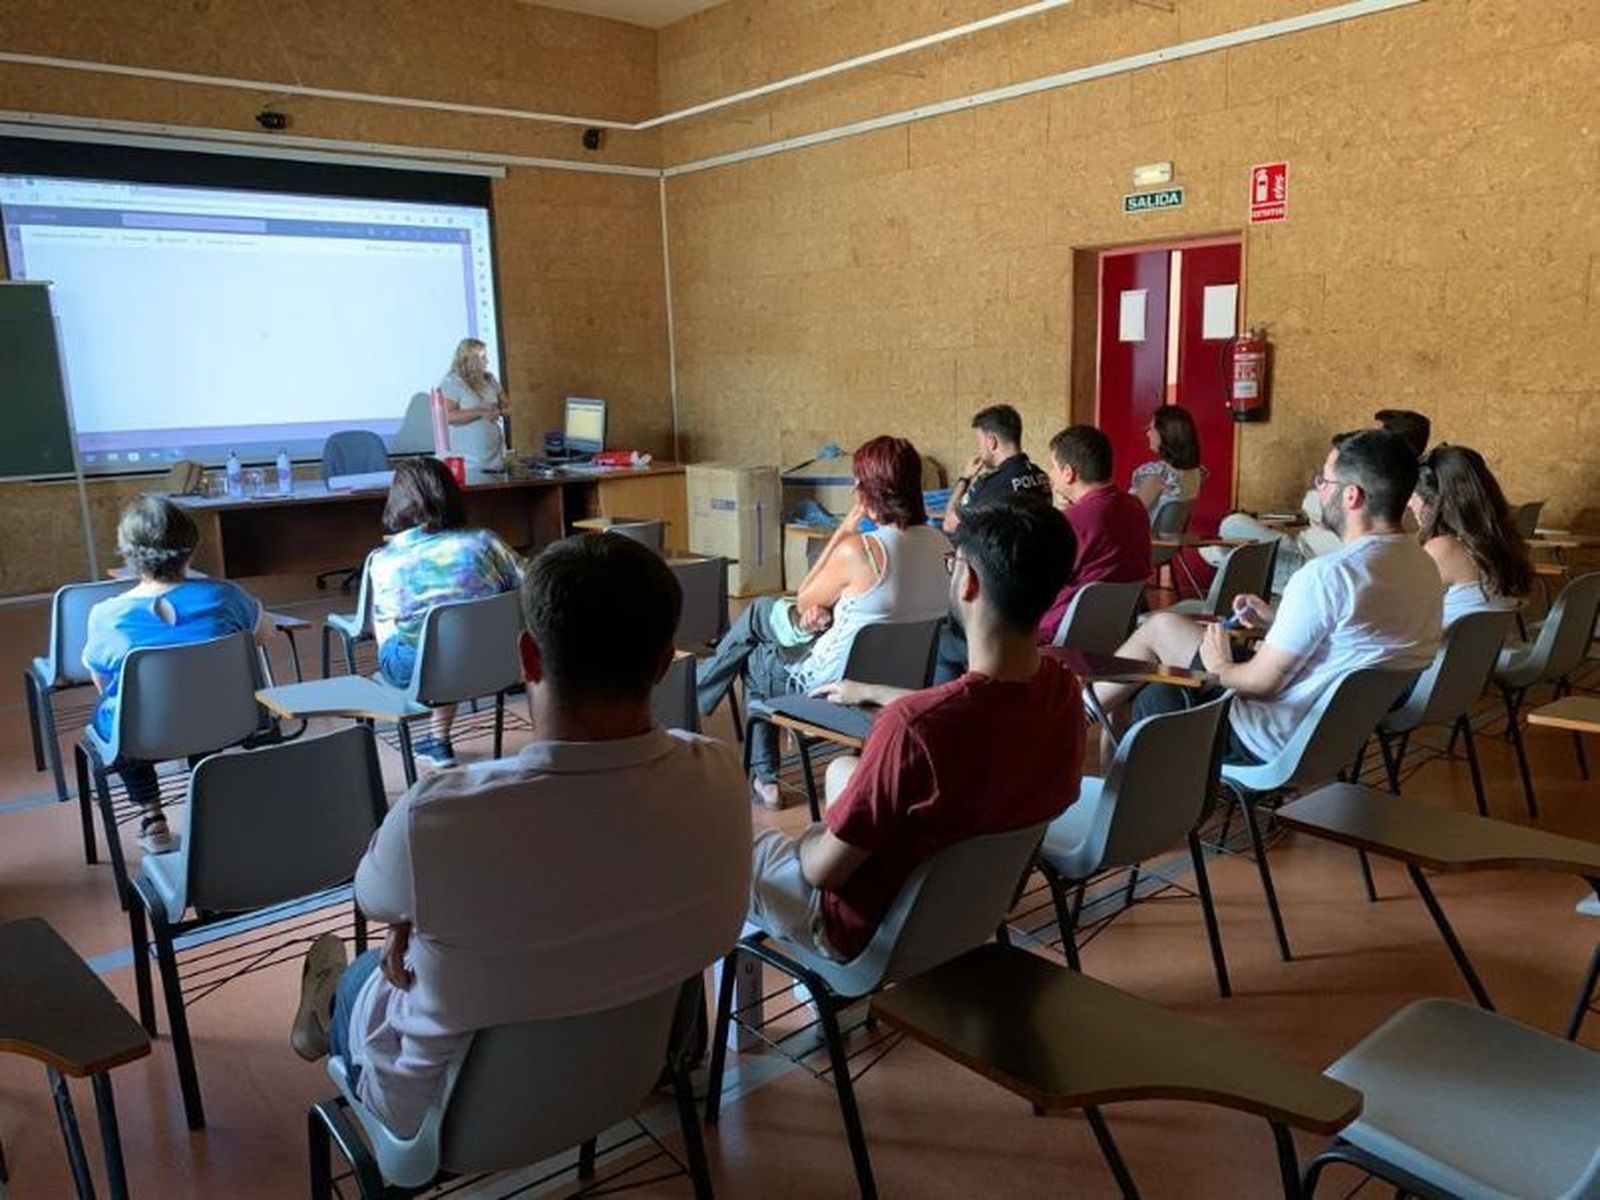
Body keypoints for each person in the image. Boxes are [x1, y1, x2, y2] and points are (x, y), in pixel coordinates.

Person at [290, 533, 751, 1138]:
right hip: (629, 1073)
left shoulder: (438, 815)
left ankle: (325, 1001)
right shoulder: (718, 770)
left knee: (363, 976)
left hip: (456, 1126)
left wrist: (419, 910)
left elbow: (373, 898)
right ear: (666, 663)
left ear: (528, 658)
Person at [746, 500, 1083, 962]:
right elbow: (971, 711)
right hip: (968, 912)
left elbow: (823, 872)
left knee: (745, 849)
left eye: (953, 563)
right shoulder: (1062, 689)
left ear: (968, 581)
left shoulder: (914, 730)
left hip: (870, 934)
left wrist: (810, 837)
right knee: (845, 769)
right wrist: (877, 692)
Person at [1095, 429, 1442, 764]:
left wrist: (1220, 665)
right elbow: (1359, 636)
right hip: (1335, 738)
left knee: (1157, 679)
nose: (1318, 491)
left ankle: (1083, 724)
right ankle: (1087, 721)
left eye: (1323, 481)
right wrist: (1280, 621)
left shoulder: (1331, 575)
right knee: (1163, 635)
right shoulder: (1423, 565)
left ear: (1351, 496)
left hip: (1268, 736)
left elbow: (1261, 684)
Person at [696, 436, 948, 808]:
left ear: (869, 490)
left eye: (857, 480)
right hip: (901, 682)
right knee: (761, 615)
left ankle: (762, 775)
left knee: (758, 653)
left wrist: (847, 525)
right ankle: (703, 697)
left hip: (834, 682)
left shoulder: (862, 551)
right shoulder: (943, 545)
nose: (852, 487)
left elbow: (805, 596)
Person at [82, 496, 270, 853]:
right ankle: (208, 806)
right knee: (203, 703)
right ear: (192, 547)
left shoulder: (107, 615)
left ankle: (153, 815)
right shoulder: (225, 596)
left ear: (126, 552)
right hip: (225, 721)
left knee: (113, 717)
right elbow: (264, 636)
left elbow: (103, 685)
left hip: (143, 736)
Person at [368, 457, 525, 768]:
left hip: (420, 672)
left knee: (421, 643)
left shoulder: (385, 561)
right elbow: (531, 584)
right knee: (455, 633)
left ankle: (438, 742)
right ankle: (438, 740)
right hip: (497, 660)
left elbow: (386, 631)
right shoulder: (485, 541)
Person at [1211, 408, 1434, 590]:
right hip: (1311, 552)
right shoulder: (1413, 491)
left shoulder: (1393, 488)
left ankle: (1230, 607)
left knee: (1231, 529)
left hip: (1311, 559)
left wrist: (1319, 512)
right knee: (1219, 551)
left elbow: (1312, 503)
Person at [1035, 425, 1152, 645]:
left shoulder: (1072, 521)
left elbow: (1039, 582)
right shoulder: (1136, 507)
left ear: (1068, 473)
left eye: (1053, 467)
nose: (1050, 474)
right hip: (1118, 632)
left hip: (1059, 633)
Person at [1410, 444, 1532, 628]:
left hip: (1444, 655)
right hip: (1486, 654)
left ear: (1434, 501)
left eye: (1414, 496)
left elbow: (1402, 610)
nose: (1410, 505)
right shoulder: (1505, 540)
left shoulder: (1443, 549)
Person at [941, 403, 1051, 533]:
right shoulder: (1041, 476)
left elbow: (949, 524)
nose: (979, 449)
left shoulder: (989, 485)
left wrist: (965, 479)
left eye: (979, 442)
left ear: (991, 441)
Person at [439, 337, 507, 471]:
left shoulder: (490, 379)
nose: (487, 361)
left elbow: (507, 406)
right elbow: (448, 416)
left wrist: (498, 409)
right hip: (469, 463)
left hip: (495, 459)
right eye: (482, 357)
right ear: (469, 358)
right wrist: (479, 412)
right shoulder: (452, 382)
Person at [1130, 405, 1203, 513]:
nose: (1148, 434)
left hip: (1146, 530)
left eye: (1151, 429)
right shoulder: (1195, 473)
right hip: (1170, 531)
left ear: (1166, 434)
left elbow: (1128, 516)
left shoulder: (1158, 476)